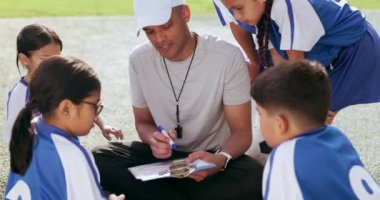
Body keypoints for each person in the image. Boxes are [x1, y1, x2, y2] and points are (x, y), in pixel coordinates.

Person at [92, 0, 264, 199]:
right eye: (149, 31)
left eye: (166, 26)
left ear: (185, 14)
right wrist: (153, 139)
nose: (159, 39)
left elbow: (241, 133)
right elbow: (143, 123)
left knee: (252, 177)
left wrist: (220, 159)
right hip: (164, 162)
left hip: (210, 159)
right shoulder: (139, 59)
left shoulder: (227, 57)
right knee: (101, 157)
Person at [214, 0, 380, 123]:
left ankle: (318, 160)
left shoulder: (290, 5)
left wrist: (304, 103)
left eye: (239, 8)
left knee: (310, 114)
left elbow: (297, 72)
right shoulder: (262, 12)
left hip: (354, 47)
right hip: (315, 43)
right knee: (278, 93)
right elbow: (280, 63)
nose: (236, 16)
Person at [251, 59, 380, 199]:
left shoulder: (286, 155)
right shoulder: (337, 136)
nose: (260, 121)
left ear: (280, 123)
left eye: (261, 114)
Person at [4, 55, 125, 200]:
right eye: (94, 105)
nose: (96, 112)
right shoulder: (72, 155)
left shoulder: (28, 131)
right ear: (66, 108)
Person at [2, 23, 123, 143]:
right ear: (24, 59)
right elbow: (15, 136)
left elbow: (83, 104)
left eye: (57, 57)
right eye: (45, 59)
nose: (53, 63)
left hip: (68, 147)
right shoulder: (19, 93)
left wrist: (103, 125)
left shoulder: (61, 80)